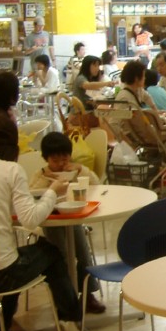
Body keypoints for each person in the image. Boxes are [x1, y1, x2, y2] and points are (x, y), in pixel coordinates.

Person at [0, 112, 83, 331]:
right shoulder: (10, 170)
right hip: (1, 272)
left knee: (13, 259)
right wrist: (53, 192)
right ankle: (72, 320)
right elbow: (31, 218)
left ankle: (0, 329)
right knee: (50, 252)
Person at [28, 132, 105, 314]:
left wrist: (80, 170)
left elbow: (96, 184)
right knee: (61, 254)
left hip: (72, 217)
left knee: (83, 252)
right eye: (55, 160)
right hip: (50, 219)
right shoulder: (40, 175)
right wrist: (48, 179)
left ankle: (87, 295)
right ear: (46, 159)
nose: (61, 164)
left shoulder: (74, 171)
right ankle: (66, 298)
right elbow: (32, 194)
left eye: (65, 158)